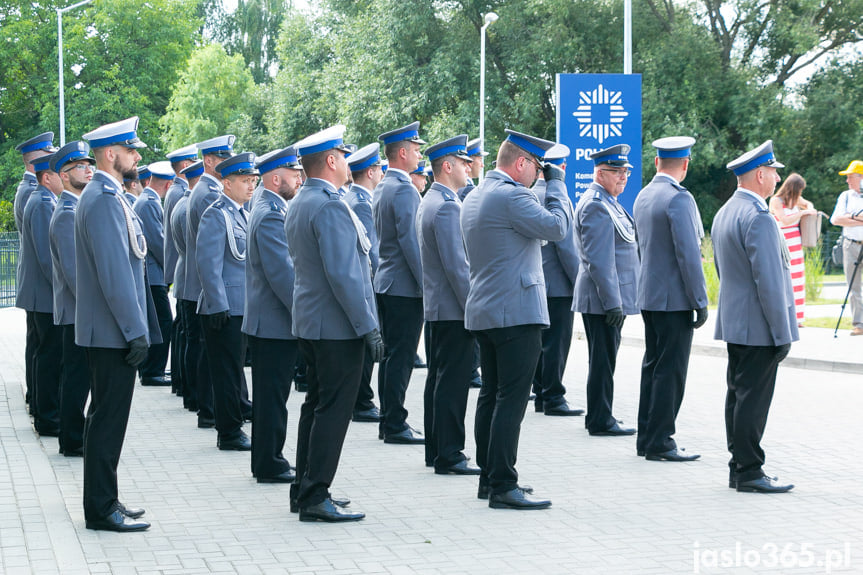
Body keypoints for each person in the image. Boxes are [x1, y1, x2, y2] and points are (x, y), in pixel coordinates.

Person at [461, 129, 569, 510]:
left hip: (487, 310)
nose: (540, 175)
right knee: (511, 399)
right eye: (538, 168)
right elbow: (558, 228)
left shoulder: (476, 195)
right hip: (516, 312)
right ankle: (504, 484)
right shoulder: (512, 195)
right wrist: (557, 186)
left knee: (491, 395)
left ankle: (489, 478)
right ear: (522, 163)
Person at [286, 125, 383, 522]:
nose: (347, 162)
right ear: (330, 160)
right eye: (343, 155)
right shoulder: (328, 205)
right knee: (332, 411)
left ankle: (304, 487)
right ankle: (315, 493)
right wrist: (368, 326)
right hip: (337, 327)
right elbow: (345, 275)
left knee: (316, 406)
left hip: (315, 324)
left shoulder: (304, 201)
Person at [77, 116, 160, 531]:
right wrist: (135, 330)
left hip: (110, 331)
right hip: (111, 333)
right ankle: (100, 508)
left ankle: (105, 499)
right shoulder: (103, 199)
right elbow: (115, 275)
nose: (137, 156)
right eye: (131, 150)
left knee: (107, 419)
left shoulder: (108, 196)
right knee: (108, 420)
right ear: (112, 155)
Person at [713, 140, 797, 494]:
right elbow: (770, 281)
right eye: (774, 171)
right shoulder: (758, 217)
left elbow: (723, 270)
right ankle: (749, 470)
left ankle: (740, 465)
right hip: (759, 326)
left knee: (739, 395)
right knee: (752, 400)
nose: (778, 177)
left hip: (737, 320)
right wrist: (782, 333)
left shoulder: (726, 211)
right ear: (759, 174)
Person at [633, 136, 707, 462]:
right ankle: (661, 441)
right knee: (670, 371)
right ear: (686, 165)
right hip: (674, 299)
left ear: (656, 162)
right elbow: (689, 255)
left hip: (649, 295)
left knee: (653, 367)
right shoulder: (679, 199)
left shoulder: (644, 194)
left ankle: (647, 438)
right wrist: (700, 300)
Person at [417, 135, 481, 475]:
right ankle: (450, 454)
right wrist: (474, 309)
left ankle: (436, 449)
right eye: (463, 162)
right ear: (447, 166)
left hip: (440, 308)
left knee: (439, 381)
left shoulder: (434, 200)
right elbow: (459, 268)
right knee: (452, 384)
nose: (469, 167)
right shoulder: (447, 206)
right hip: (453, 310)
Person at [243, 146, 303, 482]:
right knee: (271, 399)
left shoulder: (269, 207)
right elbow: (283, 275)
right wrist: (303, 314)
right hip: (273, 323)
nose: (298, 179)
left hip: (271, 322)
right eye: (293, 174)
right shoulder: (269, 213)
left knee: (273, 397)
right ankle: (269, 463)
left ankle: (269, 458)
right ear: (275, 177)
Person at [573, 144, 639, 437]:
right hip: (602, 300)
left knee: (605, 359)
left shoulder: (608, 201)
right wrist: (613, 302)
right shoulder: (596, 205)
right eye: (617, 172)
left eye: (625, 172)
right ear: (600, 173)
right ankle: (600, 419)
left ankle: (601, 415)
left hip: (607, 299)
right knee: (602, 360)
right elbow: (599, 260)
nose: (623, 177)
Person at [197, 152, 257, 451]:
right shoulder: (216, 214)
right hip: (223, 308)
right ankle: (229, 432)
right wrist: (217, 303)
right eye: (245, 181)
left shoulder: (242, 213)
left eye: (253, 181)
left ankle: (233, 424)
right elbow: (208, 264)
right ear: (227, 183)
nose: (251, 187)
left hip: (240, 305)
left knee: (235, 371)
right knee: (226, 374)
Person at [372, 121, 427, 445]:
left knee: (393, 356)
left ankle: (389, 419)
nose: (419, 154)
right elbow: (411, 242)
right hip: (404, 287)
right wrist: (426, 284)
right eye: (416, 149)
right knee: (401, 357)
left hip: (389, 282)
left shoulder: (384, 185)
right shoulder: (404, 188)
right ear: (403, 153)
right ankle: (394, 423)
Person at [185, 135, 236, 429]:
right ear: (208, 161)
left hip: (206, 284)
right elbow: (210, 249)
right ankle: (208, 408)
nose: (227, 163)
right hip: (208, 286)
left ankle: (214, 406)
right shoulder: (208, 193)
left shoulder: (207, 189)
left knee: (208, 351)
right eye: (222, 158)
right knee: (208, 353)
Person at [48, 141, 95, 457]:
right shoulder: (66, 214)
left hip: (82, 312)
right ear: (64, 176)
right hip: (76, 312)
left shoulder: (77, 209)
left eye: (90, 164)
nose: (89, 170)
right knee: (76, 379)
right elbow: (74, 271)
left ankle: (75, 436)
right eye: (80, 166)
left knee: (81, 377)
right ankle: (72, 439)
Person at [531, 144, 583, 416]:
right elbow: (565, 246)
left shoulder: (529, 193)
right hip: (559, 284)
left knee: (541, 343)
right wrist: (579, 281)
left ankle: (540, 391)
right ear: (562, 168)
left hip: (538, 282)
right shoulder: (557, 196)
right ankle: (553, 397)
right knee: (557, 343)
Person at [20, 149, 64, 436]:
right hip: (45, 294)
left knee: (43, 353)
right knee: (49, 356)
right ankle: (48, 417)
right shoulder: (43, 203)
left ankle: (42, 408)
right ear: (46, 177)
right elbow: (47, 257)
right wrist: (62, 289)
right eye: (58, 174)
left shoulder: (42, 199)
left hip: (41, 293)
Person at [14, 132, 56, 415]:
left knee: (38, 346)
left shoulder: (28, 190)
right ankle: (41, 405)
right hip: (42, 286)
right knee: (46, 350)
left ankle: (37, 399)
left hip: (36, 285)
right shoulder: (35, 194)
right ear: (37, 164)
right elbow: (44, 251)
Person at [344, 143, 384, 423]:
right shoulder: (360, 202)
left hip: (368, 281)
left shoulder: (361, 199)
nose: (382, 173)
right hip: (368, 282)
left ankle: (362, 399)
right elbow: (371, 249)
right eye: (380, 169)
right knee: (368, 345)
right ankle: (362, 402)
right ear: (370, 172)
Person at [133, 161, 175, 386]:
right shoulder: (149, 203)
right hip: (154, 275)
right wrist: (172, 270)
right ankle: (152, 371)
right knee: (162, 322)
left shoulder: (148, 201)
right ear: (168, 185)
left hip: (152, 274)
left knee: (160, 322)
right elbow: (158, 243)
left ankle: (152, 369)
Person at [164, 144, 200, 397]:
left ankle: (183, 386)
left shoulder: (178, 193)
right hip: (189, 275)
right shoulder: (181, 195)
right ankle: (186, 388)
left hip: (184, 274)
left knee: (184, 334)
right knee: (189, 337)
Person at [171, 160, 204, 413]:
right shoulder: (191, 205)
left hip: (186, 278)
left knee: (188, 338)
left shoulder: (183, 203)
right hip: (193, 281)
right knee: (194, 341)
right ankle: (192, 394)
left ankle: (186, 389)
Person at [769, 173, 816, 327]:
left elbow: (809, 204)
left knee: (798, 279)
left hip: (796, 243)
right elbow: (784, 220)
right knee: (784, 279)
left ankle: (798, 317)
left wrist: (808, 208)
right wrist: (802, 212)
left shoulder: (795, 200)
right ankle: (785, 316)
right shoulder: (777, 201)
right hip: (783, 242)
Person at [829, 160, 863, 335]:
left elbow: (844, 218)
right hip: (850, 245)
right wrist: (858, 217)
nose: (847, 181)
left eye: (850, 177)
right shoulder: (845, 196)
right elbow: (835, 219)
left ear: (861, 178)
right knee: (853, 286)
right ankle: (859, 324)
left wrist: (850, 217)